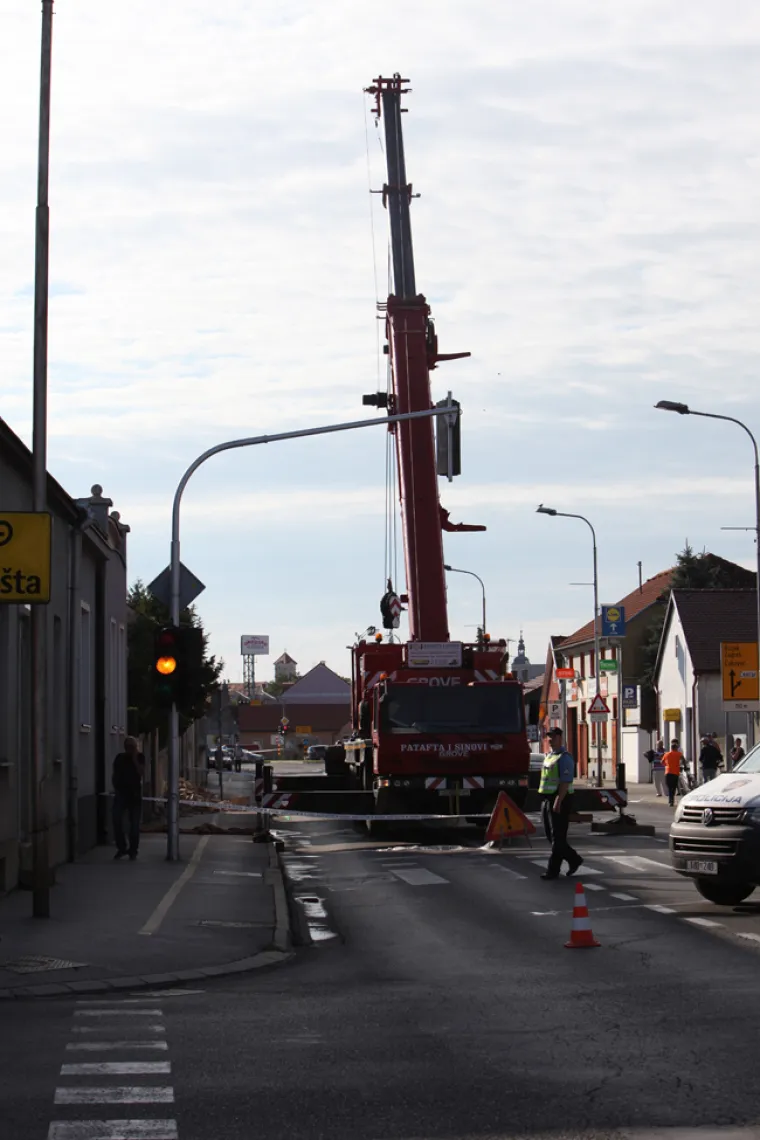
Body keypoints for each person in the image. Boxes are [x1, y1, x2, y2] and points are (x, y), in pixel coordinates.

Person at [538, 727, 582, 880]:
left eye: (554, 736)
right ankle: (574, 859)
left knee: (558, 837)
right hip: (547, 799)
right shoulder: (549, 756)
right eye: (549, 736)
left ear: (560, 738)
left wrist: (558, 800)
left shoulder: (564, 757)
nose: (550, 739)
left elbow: (565, 781)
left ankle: (553, 871)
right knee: (552, 837)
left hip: (560, 799)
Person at [112, 736, 145, 860]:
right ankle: (121, 847)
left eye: (132, 746)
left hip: (135, 795)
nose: (129, 749)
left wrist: (135, 758)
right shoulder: (120, 758)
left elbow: (141, 773)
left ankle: (133, 850)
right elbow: (115, 773)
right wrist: (115, 786)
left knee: (134, 825)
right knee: (116, 820)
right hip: (121, 793)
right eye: (128, 747)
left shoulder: (140, 757)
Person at [663, 739, 683, 807]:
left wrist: (666, 765)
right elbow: (684, 759)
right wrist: (683, 766)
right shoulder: (679, 754)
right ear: (676, 748)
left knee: (669, 787)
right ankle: (672, 800)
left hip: (668, 773)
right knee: (674, 787)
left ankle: (670, 801)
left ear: (671, 748)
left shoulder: (666, 754)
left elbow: (662, 762)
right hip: (675, 773)